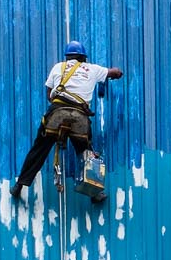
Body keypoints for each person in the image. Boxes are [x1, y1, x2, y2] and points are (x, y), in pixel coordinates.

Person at [11, 40, 122, 201]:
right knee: (86, 152)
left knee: (39, 149)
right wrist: (117, 74)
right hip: (80, 119)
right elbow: (115, 72)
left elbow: (49, 94)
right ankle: (95, 194)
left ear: (67, 57)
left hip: (56, 114)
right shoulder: (93, 69)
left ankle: (19, 185)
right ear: (83, 57)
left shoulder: (58, 67)